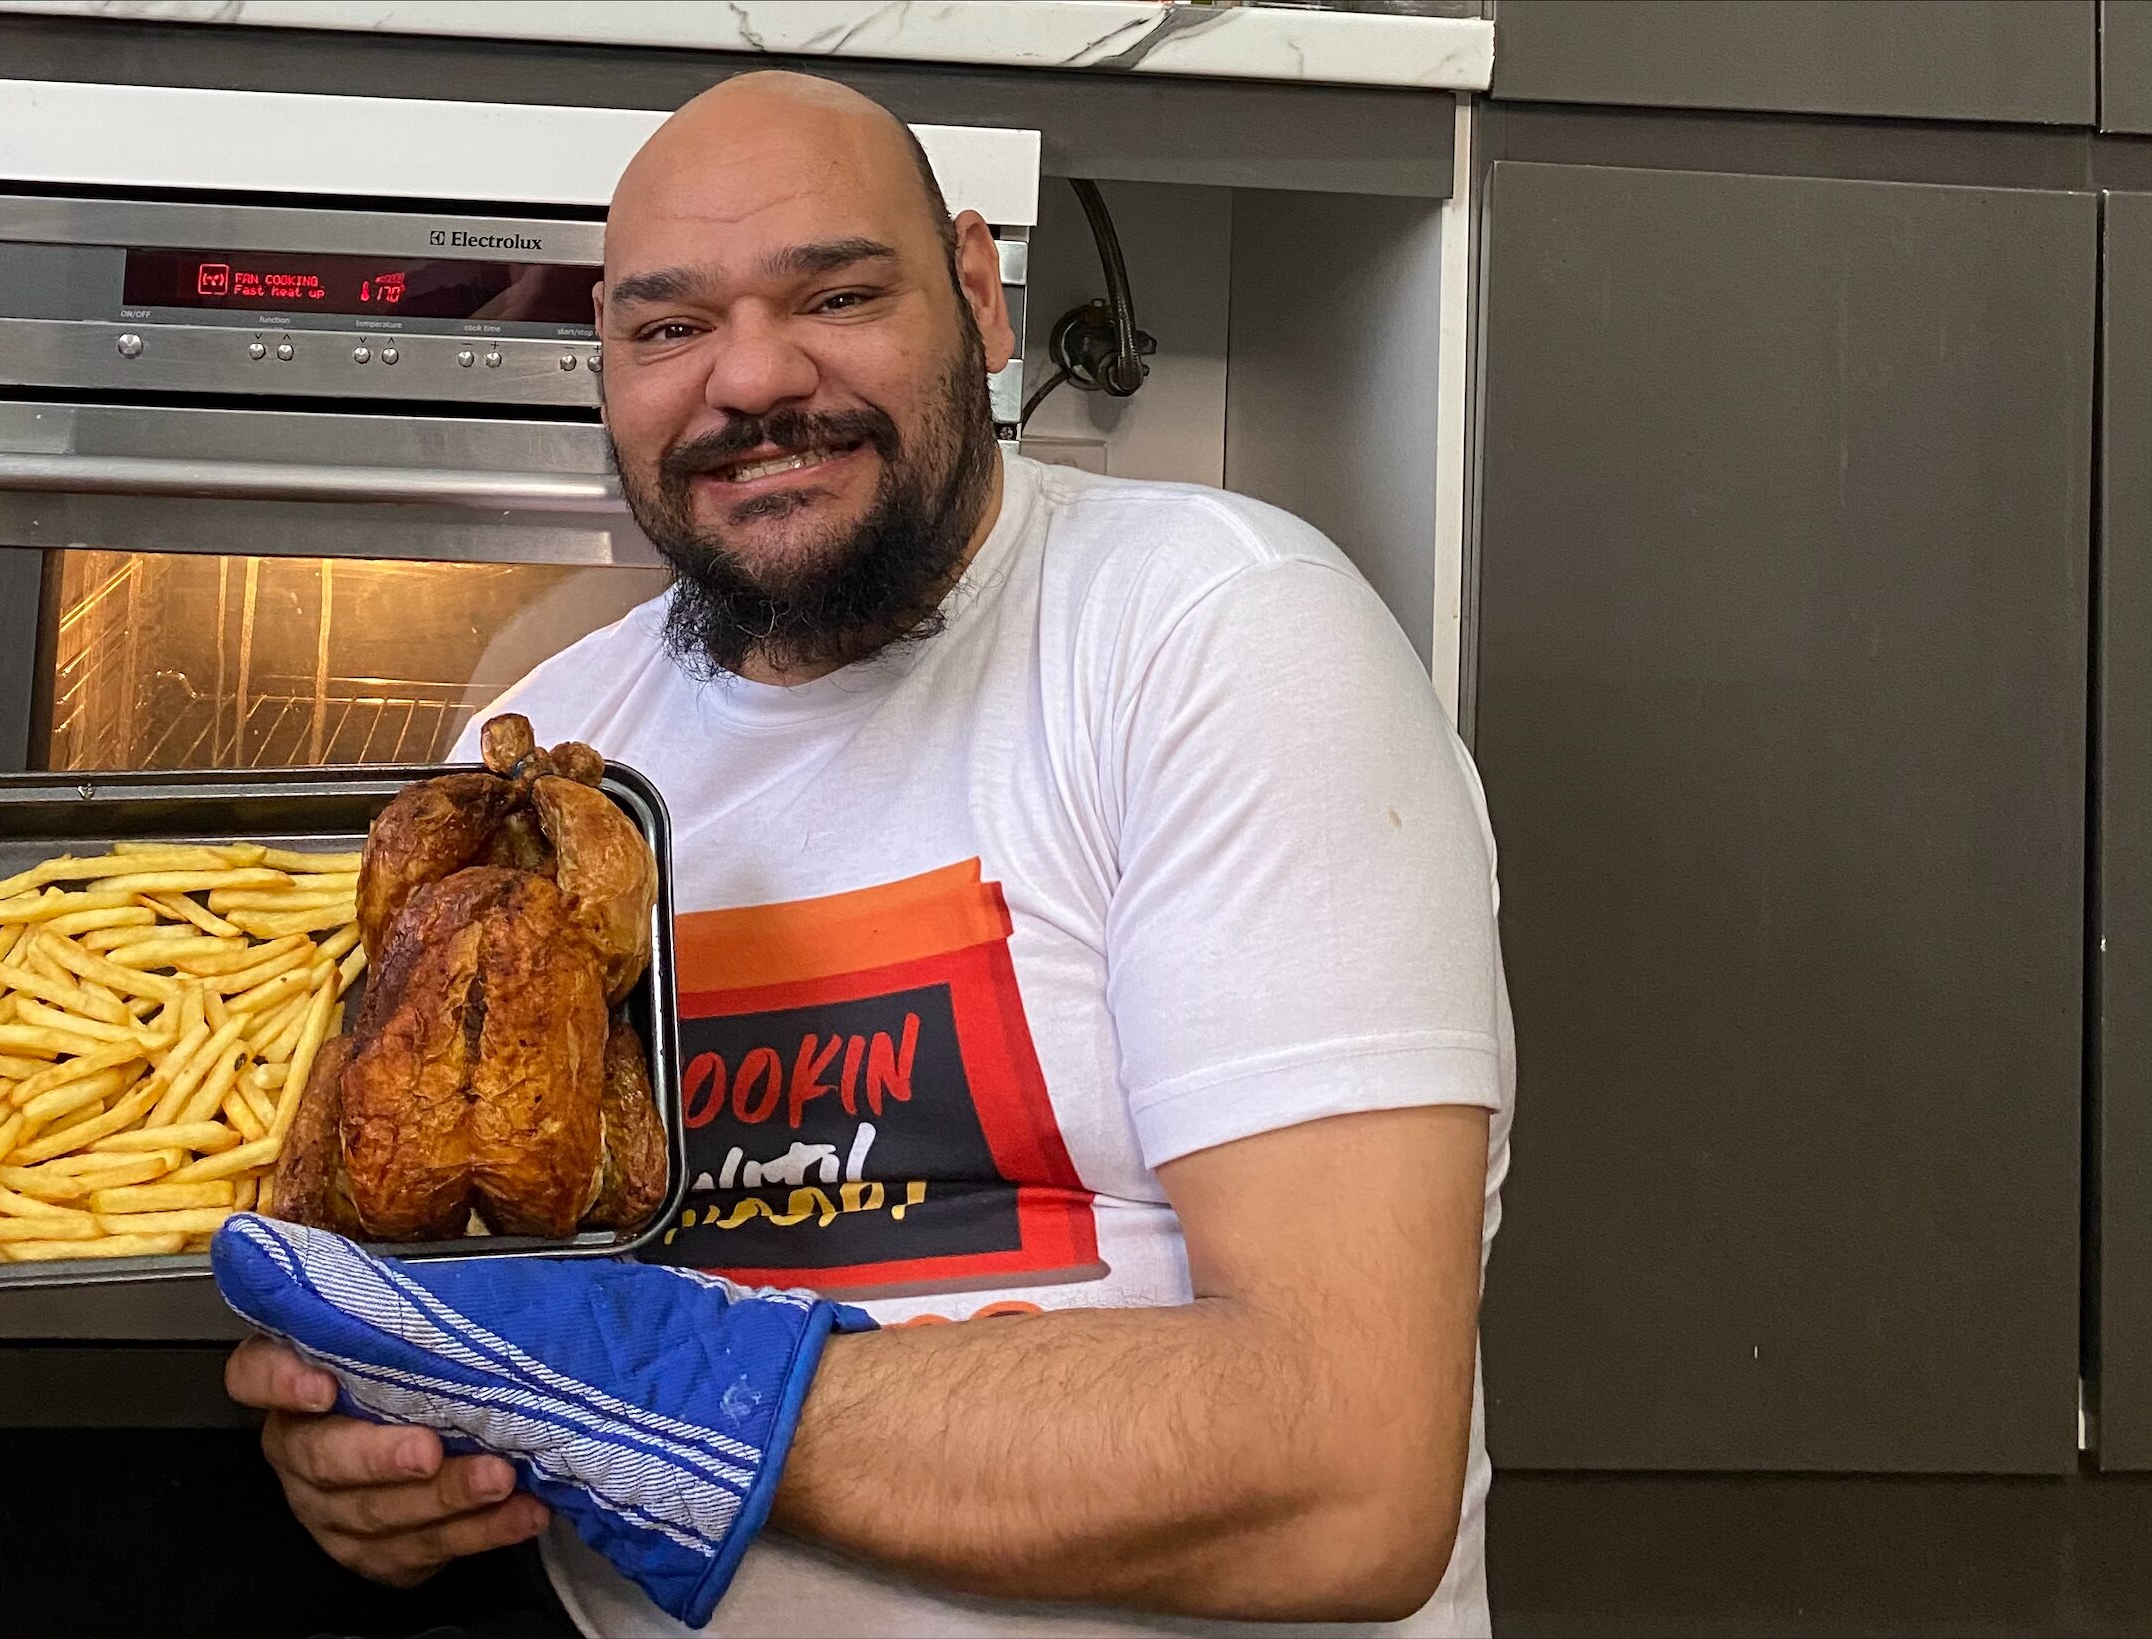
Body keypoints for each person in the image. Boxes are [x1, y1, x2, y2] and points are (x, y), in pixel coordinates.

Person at [224, 70, 1514, 1639]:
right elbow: (465, 1304)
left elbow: (1343, 1476)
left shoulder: (1214, 636)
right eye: (668, 327)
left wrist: (646, 1397)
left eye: (835, 295)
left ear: (977, 295)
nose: (753, 378)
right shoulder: (544, 763)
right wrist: (385, 1455)